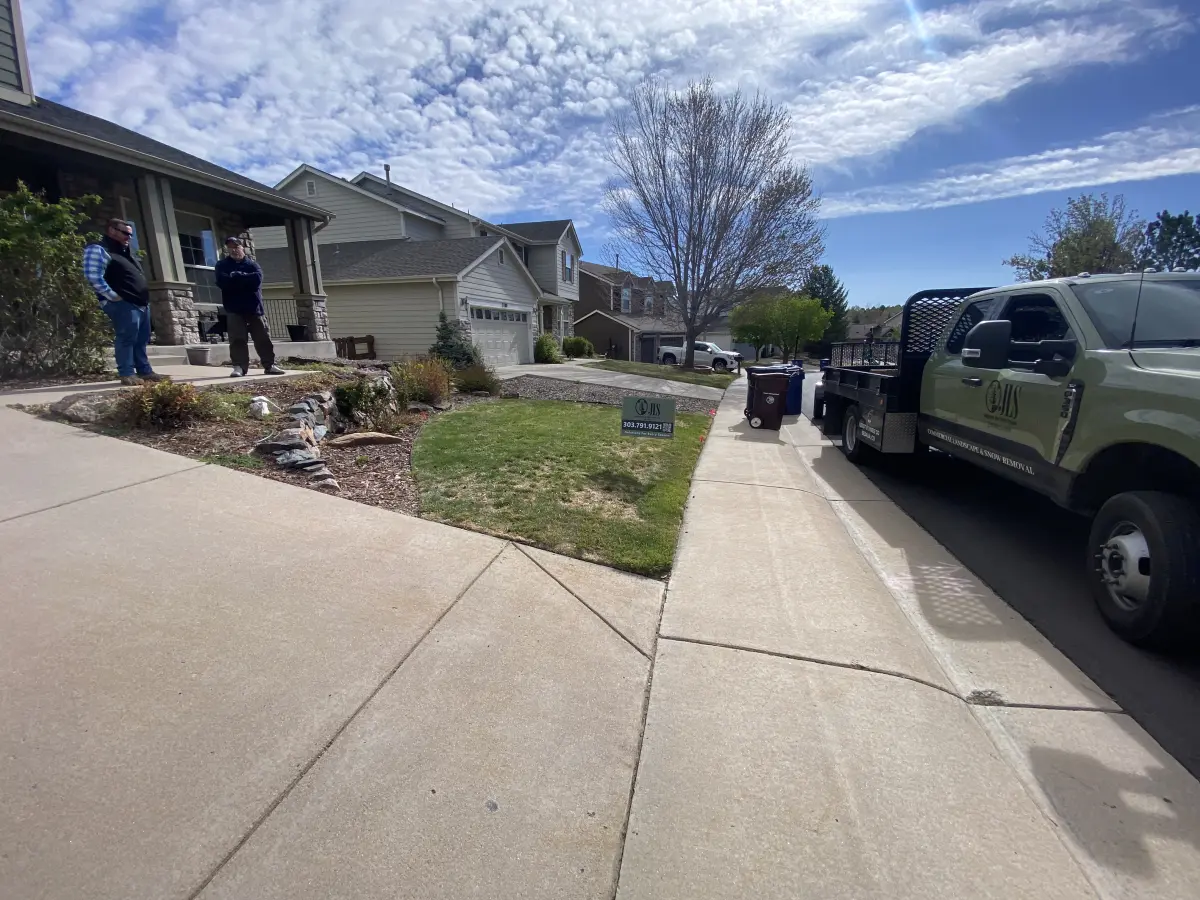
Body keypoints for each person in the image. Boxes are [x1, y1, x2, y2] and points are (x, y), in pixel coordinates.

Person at [82, 218, 168, 385]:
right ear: (112, 230)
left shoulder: (125, 251)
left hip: (140, 303)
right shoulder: (99, 249)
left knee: (142, 339)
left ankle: (144, 371)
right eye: (125, 233)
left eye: (131, 234)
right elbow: (93, 276)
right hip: (122, 303)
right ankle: (126, 373)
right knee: (126, 337)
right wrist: (113, 296)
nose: (129, 236)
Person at [214, 236, 284, 376]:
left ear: (242, 248)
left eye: (237, 246)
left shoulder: (253, 265)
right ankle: (239, 367)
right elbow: (223, 283)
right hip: (234, 309)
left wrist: (236, 276)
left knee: (262, 338)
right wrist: (244, 279)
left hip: (254, 309)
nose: (234, 250)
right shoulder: (222, 265)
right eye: (231, 247)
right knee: (237, 339)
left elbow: (256, 281)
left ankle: (270, 365)